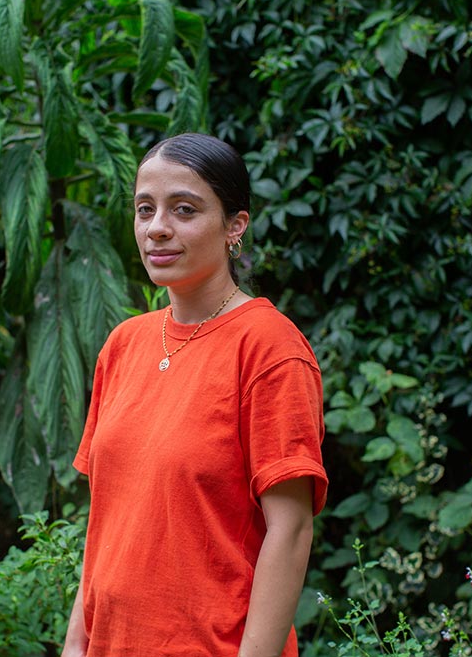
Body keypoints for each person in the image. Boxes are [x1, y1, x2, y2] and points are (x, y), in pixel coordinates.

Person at [61, 133, 328, 657]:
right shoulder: (124, 344)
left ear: (236, 226)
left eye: (184, 210)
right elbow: (108, 523)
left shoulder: (269, 348)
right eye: (145, 209)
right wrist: (76, 646)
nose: (157, 228)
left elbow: (291, 530)